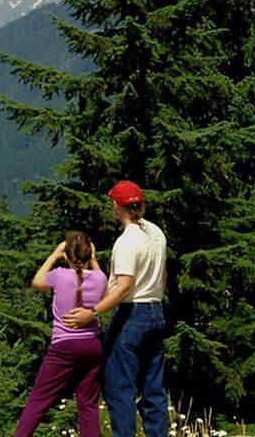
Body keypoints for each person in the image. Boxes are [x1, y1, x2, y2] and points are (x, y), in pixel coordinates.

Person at [63, 180, 168, 437]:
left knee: (120, 387)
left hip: (131, 315)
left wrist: (94, 312)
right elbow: (163, 275)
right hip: (156, 311)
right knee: (153, 388)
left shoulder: (126, 242)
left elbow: (123, 286)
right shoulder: (156, 233)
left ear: (117, 207)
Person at [14, 231, 107, 437]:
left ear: (66, 255)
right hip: (93, 346)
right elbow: (105, 287)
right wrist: (94, 259)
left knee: (39, 400)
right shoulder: (100, 278)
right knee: (88, 404)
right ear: (89, 252)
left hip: (64, 347)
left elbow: (37, 282)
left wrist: (54, 255)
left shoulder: (59, 276)